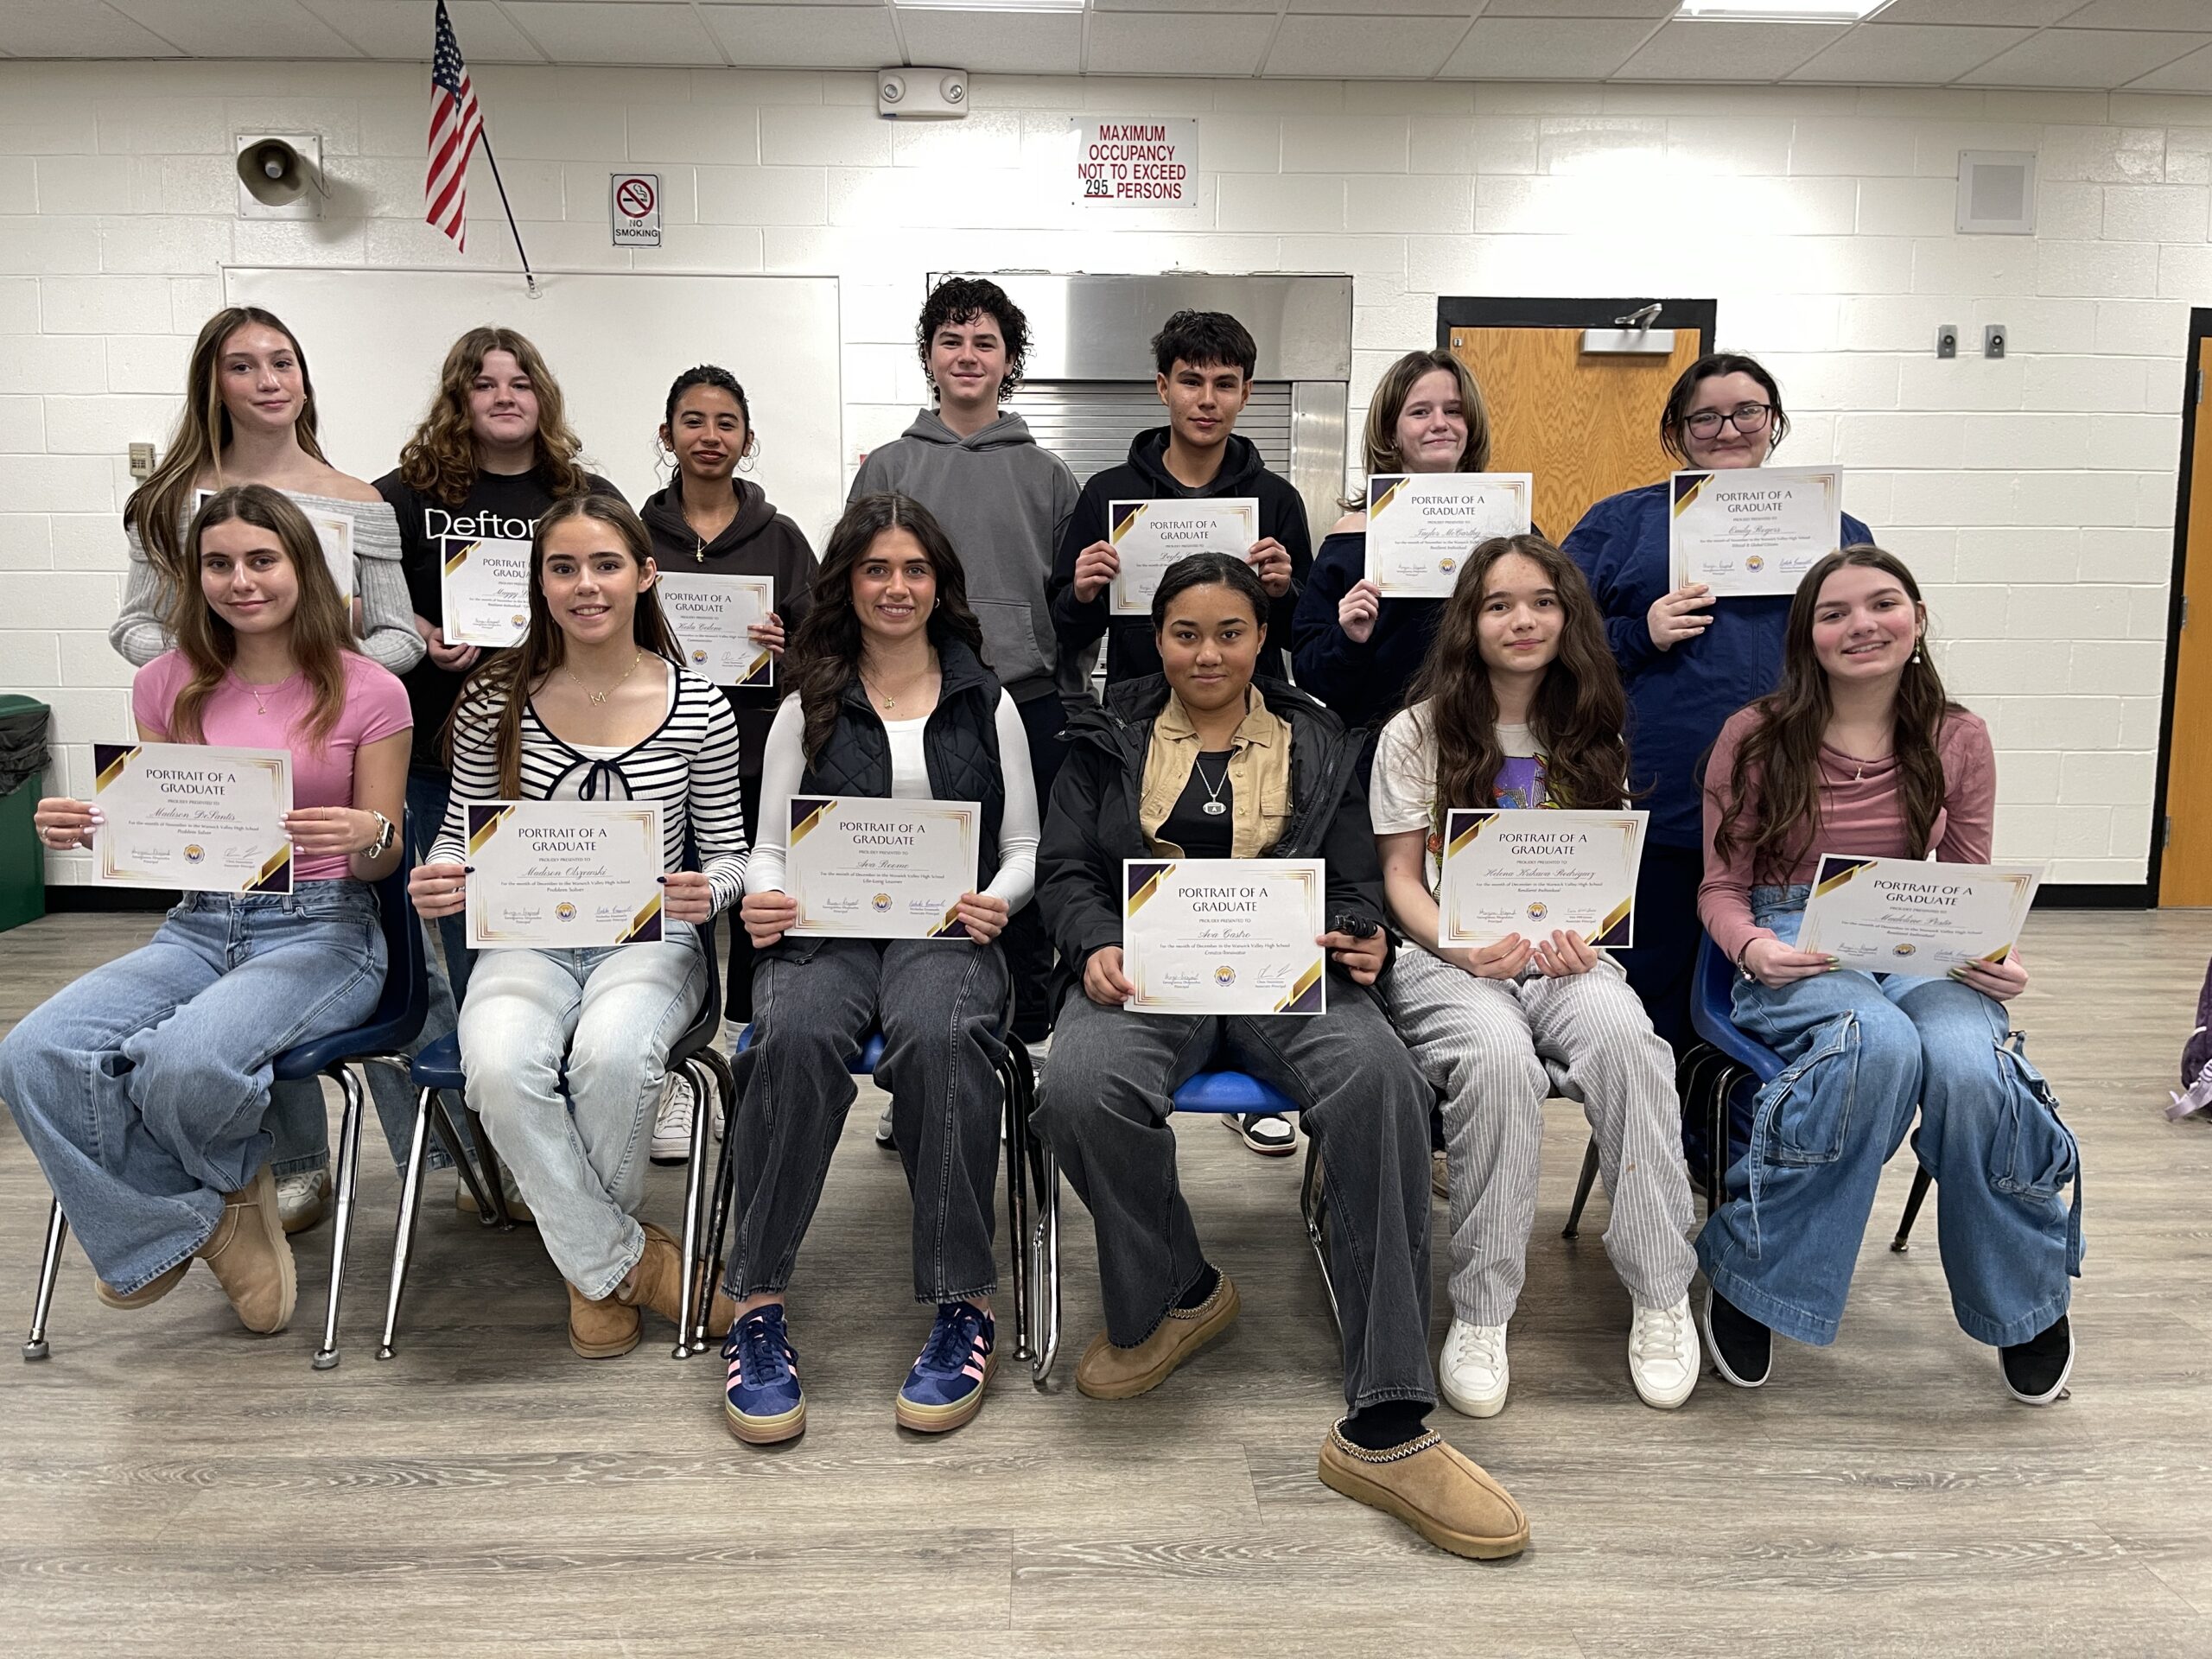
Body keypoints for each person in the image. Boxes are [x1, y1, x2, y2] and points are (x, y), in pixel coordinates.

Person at [1034, 551, 1528, 1561]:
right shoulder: (1102, 734)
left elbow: (1355, 877)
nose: (1206, 652)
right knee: (1078, 1087)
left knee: (1382, 1083)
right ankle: (1178, 1289)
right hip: (1149, 973)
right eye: (1184, 633)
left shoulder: (1317, 736)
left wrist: (1355, 927)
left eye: (1230, 632)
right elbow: (1066, 869)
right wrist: (1092, 942)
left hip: (1287, 975)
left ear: (1263, 638)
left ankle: (1386, 1418)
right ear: (1156, 638)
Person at [2, 485, 409, 1334]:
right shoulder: (164, 682)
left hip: (326, 926)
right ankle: (205, 1215)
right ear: (195, 577)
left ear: (303, 568)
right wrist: (87, 826)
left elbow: (387, 857)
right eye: (218, 564)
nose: (240, 580)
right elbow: (169, 826)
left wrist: (365, 828)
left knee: (184, 1064)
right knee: (32, 1053)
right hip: (198, 921)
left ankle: (189, 1208)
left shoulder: (370, 689)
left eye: (262, 560)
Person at [1696, 546, 2081, 1405]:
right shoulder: (1754, 736)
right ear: (1808, 638)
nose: (1859, 624)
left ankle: (2024, 1300)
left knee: (1975, 1068)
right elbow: (1721, 888)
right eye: (1833, 613)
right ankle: (1755, 1269)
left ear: (1915, 621)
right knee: (1874, 1045)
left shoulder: (1958, 735)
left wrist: (1996, 958)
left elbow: (1968, 883)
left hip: (1915, 931)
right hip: (1793, 929)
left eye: (1881, 605)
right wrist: (1753, 949)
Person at [717, 493, 1037, 1444]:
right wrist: (761, 895)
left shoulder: (989, 697)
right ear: (847, 583)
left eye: (914, 571)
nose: (895, 588)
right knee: (792, 1032)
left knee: (939, 1036)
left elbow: (1022, 843)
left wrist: (1002, 900)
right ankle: (758, 1303)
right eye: (875, 570)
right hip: (825, 926)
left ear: (940, 585)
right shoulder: (805, 699)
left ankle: (961, 1305)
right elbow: (769, 843)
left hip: (947, 926)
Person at [1370, 535, 1700, 1419]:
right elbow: (1402, 877)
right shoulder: (1415, 731)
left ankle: (1662, 1292)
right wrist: (1460, 947)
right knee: (1498, 1059)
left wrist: (1586, 939)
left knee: (1630, 1039)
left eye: (1543, 602)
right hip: (1450, 956)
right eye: (1498, 604)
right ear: (1467, 623)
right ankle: (1480, 1312)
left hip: (1562, 958)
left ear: (1569, 616)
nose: (1523, 620)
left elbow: (1596, 871)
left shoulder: (1595, 724)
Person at [109, 306, 423, 1235]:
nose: (268, 379)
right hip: (216, 757)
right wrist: (224, 654)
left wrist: (318, 667)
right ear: (213, 383)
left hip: (332, 740)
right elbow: (131, 626)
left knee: (373, 947)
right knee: (233, 973)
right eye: (243, 366)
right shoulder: (169, 502)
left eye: (282, 361)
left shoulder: (356, 495)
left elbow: (401, 632)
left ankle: (432, 1162)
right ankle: (289, 1172)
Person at [410, 494, 746, 1361]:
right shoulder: (494, 698)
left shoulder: (700, 706)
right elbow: (457, 836)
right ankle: (621, 1264)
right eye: (563, 568)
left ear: (644, 575)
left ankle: (589, 1265)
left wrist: (705, 893)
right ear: (539, 584)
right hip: (523, 937)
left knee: (612, 1055)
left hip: (651, 943)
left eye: (604, 565)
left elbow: (737, 859)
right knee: (496, 1063)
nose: (584, 585)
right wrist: (442, 876)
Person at [1052, 308, 1313, 1156]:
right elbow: (1062, 631)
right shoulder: (1104, 495)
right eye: (1190, 381)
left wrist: (1288, 584)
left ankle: (1251, 1051)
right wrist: (1084, 589)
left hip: (1248, 727)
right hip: (1142, 728)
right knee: (1149, 882)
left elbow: (1298, 634)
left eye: (1225, 383)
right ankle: (1146, 1058)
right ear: (1162, 386)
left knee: (1247, 882)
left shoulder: (1274, 500)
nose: (1207, 399)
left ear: (1244, 393)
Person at [1564, 352, 1872, 1058]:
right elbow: (1553, 640)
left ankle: (1751, 1150)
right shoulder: (1622, 525)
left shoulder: (1834, 529)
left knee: (1792, 988)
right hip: (1665, 797)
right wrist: (1640, 633)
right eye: (1705, 415)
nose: (1727, 428)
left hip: (1803, 806)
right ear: (1677, 429)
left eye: (1747, 412)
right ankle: (1660, 1146)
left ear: (1773, 423)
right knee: (1655, 994)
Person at [378, 327, 625, 1206]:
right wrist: (415, 633)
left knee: (557, 945)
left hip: (558, 762)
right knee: (450, 954)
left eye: (521, 381)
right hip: (442, 749)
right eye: (484, 384)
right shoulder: (407, 495)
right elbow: (359, 600)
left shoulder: (581, 492)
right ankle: (465, 1154)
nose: (504, 395)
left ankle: (544, 1142)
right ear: (459, 398)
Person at [848, 276, 1078, 1052]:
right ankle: (918, 1047)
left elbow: (1072, 610)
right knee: (915, 878)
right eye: (952, 340)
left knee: (1024, 880)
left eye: (985, 342)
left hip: (1026, 698)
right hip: (910, 702)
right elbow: (853, 578)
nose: (968, 355)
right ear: (929, 356)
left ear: (1010, 360)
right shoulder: (887, 466)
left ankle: (1029, 1045)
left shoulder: (1048, 474)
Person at [640, 362, 817, 1147]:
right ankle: (676, 1063)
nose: (709, 437)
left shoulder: (782, 540)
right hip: (652, 752)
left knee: (749, 909)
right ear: (667, 434)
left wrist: (791, 644)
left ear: (747, 440)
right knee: (670, 908)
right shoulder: (633, 533)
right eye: (693, 421)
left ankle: (749, 1048)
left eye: (726, 423)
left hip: (751, 753)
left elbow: (827, 647)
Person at [1294, 349, 1502, 736]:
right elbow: (1311, 675)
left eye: (1454, 411)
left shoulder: (1511, 530)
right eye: (1420, 412)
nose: (1440, 424)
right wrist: (1349, 641)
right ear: (1391, 432)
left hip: (1488, 742)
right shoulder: (1350, 538)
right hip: (1377, 746)